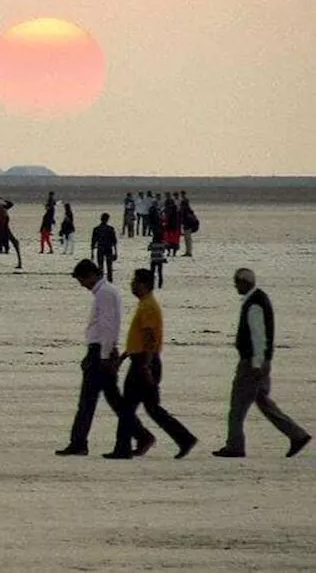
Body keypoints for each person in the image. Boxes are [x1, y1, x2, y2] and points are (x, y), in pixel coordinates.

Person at [56, 259, 153, 456]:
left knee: (88, 401)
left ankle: (79, 442)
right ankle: (141, 435)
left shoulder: (105, 293)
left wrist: (104, 356)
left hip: (100, 353)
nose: (82, 284)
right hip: (102, 351)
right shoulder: (105, 292)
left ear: (91, 275)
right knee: (113, 400)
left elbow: (108, 327)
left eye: (82, 280)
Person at [212, 269, 311, 458]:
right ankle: (297, 435)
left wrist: (256, 364)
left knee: (237, 406)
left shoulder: (254, 304)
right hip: (261, 362)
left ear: (244, 282)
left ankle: (235, 445)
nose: (235, 286)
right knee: (264, 403)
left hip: (252, 364)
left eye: (237, 282)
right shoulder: (258, 300)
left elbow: (259, 337)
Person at [104, 268, 197, 459]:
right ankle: (184, 439)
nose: (132, 285)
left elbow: (149, 338)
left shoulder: (148, 306)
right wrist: (123, 358)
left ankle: (123, 448)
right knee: (151, 408)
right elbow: (139, 339)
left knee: (128, 407)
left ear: (144, 284)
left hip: (144, 363)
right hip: (143, 361)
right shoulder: (145, 304)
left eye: (135, 281)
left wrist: (145, 366)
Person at [90, 213, 119, 282]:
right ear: (107, 219)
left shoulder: (96, 229)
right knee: (109, 266)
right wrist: (116, 252)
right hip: (108, 248)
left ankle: (101, 280)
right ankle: (110, 280)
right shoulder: (110, 229)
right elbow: (114, 241)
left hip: (100, 248)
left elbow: (93, 242)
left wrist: (92, 252)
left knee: (100, 266)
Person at [178, 192, 198, 257]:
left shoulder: (186, 212)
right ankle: (188, 251)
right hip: (187, 226)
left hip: (188, 226)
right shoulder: (187, 211)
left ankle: (188, 252)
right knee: (187, 239)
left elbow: (186, 219)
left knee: (188, 239)